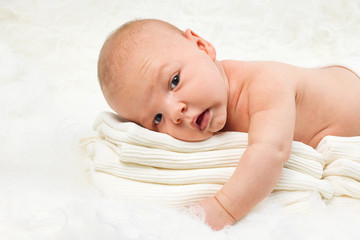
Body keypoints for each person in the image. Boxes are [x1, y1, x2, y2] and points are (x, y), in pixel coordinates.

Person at [97, 18, 360, 230]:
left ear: (201, 46)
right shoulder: (207, 116)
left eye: (174, 81)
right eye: (157, 119)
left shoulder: (265, 84)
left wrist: (224, 207)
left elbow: (271, 152)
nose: (175, 113)